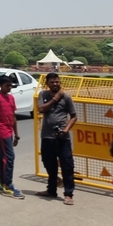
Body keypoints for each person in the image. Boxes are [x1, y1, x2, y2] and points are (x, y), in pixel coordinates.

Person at [35, 73, 77, 204]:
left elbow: (74, 116)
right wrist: (55, 99)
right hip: (47, 136)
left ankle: (68, 194)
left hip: (62, 137)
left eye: (57, 82)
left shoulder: (66, 97)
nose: (55, 84)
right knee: (49, 164)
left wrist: (66, 130)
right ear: (47, 83)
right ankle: (51, 189)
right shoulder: (43, 95)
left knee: (67, 165)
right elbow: (41, 109)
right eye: (52, 82)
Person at [0, 74, 24, 199]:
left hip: (9, 130)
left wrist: (17, 134)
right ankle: (7, 186)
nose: (10, 88)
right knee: (9, 157)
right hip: (1, 130)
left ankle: (2, 182)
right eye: (7, 86)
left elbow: (13, 116)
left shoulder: (11, 98)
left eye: (11, 86)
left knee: (2, 156)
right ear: (0, 85)